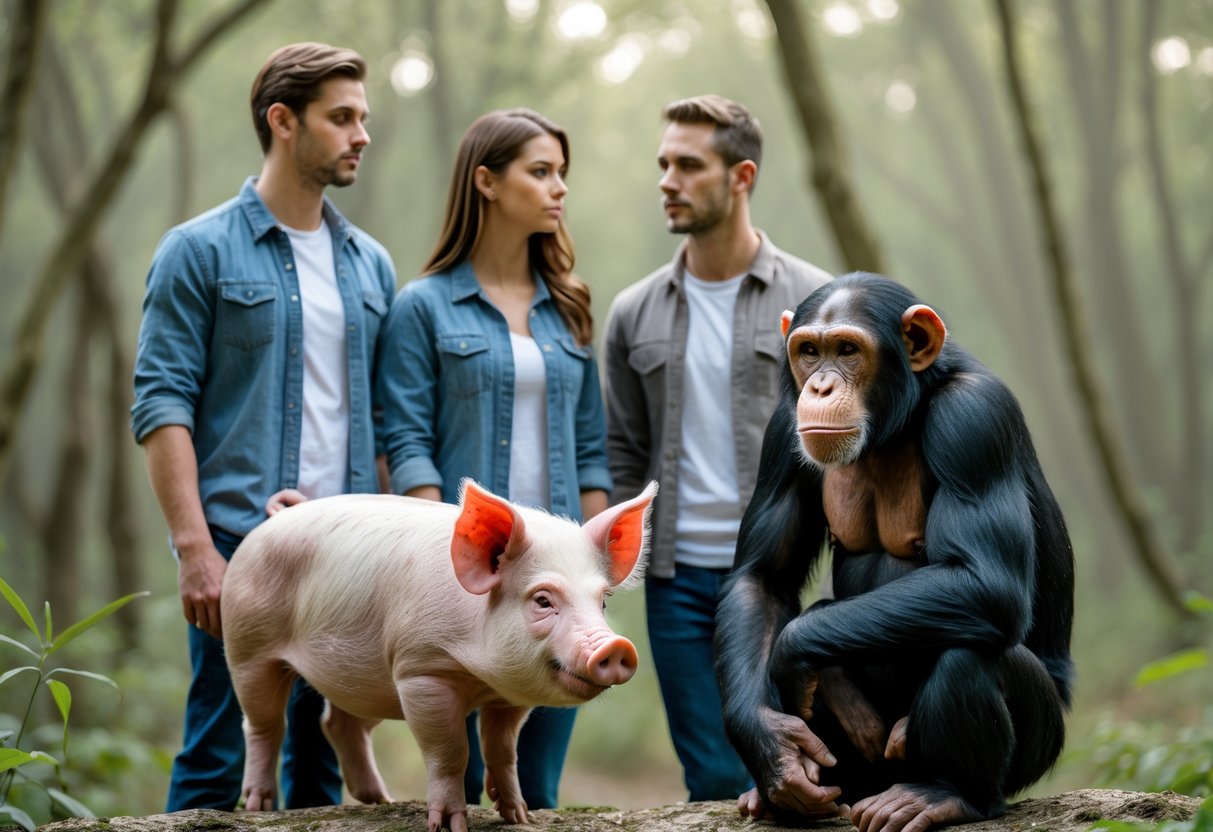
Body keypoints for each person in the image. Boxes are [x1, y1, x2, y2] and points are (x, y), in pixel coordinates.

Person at [130, 42, 397, 811]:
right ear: (283, 121)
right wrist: (195, 550)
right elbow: (161, 403)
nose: (360, 135)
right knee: (218, 755)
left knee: (320, 770)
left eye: (362, 118)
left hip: (345, 553)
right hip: (239, 545)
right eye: (340, 118)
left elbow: (381, 420)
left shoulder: (370, 264)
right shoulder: (197, 250)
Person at [375, 108, 612, 811]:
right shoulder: (422, 307)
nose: (558, 188)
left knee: (531, 790)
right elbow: (407, 443)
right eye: (540, 172)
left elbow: (591, 450)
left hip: (555, 589)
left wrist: (595, 570)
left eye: (562, 173)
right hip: (472, 582)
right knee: (455, 776)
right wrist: (441, 563)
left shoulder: (568, 309)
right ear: (486, 181)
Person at [602, 94, 832, 803]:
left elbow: (850, 452)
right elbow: (622, 451)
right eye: (663, 163)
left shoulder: (816, 299)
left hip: (777, 572)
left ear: (741, 177)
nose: (667, 180)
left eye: (688, 165)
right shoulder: (632, 311)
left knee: (792, 765)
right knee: (710, 778)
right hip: (674, 579)